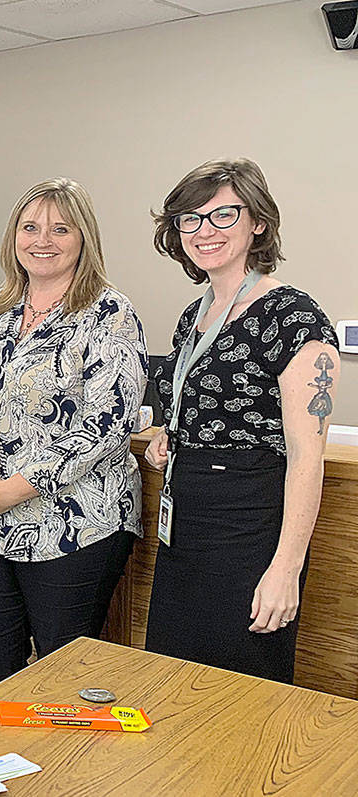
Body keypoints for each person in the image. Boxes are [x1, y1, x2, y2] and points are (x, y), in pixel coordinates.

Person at [143, 158, 339, 683]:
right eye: (191, 218)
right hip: (184, 531)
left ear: (257, 222)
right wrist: (170, 436)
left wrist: (285, 570)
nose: (205, 231)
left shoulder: (294, 317)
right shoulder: (197, 313)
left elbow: (306, 459)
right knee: (172, 681)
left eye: (223, 215)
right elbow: (215, 407)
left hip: (249, 532)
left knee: (239, 693)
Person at [0, 177, 146, 693]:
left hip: (73, 526)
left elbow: (108, 424)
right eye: (31, 227)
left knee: (62, 683)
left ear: (85, 238)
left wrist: (16, 487)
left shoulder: (109, 313)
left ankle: (59, 777)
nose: (43, 240)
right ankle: (1, 773)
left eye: (61, 229)